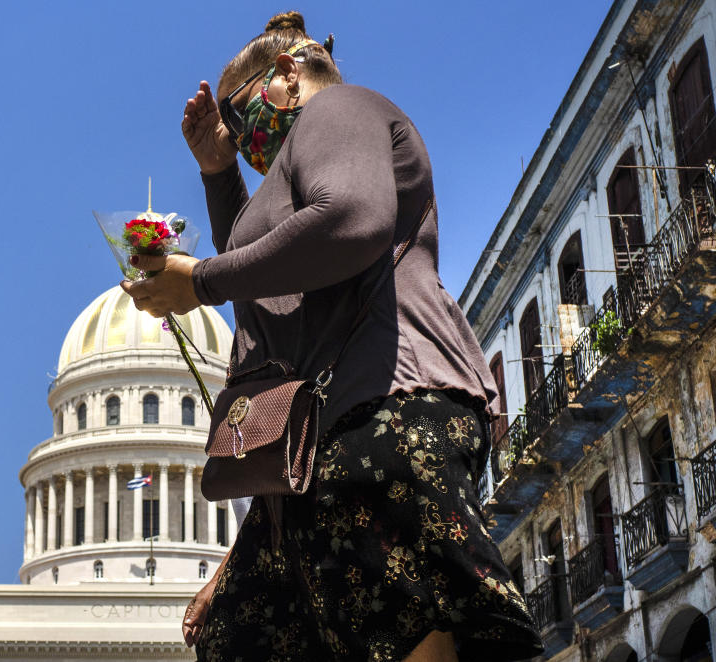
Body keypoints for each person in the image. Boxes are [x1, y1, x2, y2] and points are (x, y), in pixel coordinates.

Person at [120, 11, 544, 662]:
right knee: (241, 636)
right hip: (317, 444)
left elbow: (348, 219)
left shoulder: (340, 110)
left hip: (386, 404)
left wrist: (201, 281)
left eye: (241, 114)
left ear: (288, 75)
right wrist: (216, 171)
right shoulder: (290, 174)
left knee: (409, 624)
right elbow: (267, 283)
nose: (240, 133)